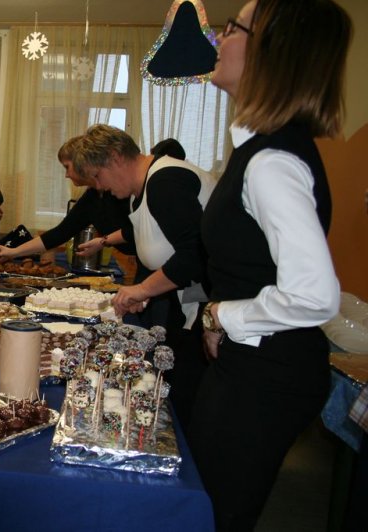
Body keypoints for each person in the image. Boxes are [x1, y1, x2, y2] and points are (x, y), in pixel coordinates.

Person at [187, 1, 349, 529]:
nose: (218, 39)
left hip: (268, 378)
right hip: (253, 366)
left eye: (232, 28)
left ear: (270, 53)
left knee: (215, 515)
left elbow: (314, 295)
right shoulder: (258, 151)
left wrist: (221, 315)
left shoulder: (271, 162)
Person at [73, 124, 216, 431]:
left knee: (189, 403)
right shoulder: (142, 190)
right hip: (190, 300)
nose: (99, 187)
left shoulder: (166, 182)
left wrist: (143, 289)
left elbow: (196, 254)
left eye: (97, 176)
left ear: (114, 157)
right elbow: (168, 253)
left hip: (211, 304)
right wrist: (148, 292)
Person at [0, 135, 134, 262]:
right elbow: (60, 233)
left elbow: (135, 230)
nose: (66, 175)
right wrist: (14, 252)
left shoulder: (121, 190)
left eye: (67, 167)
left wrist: (104, 241)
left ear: (82, 163)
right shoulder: (92, 197)